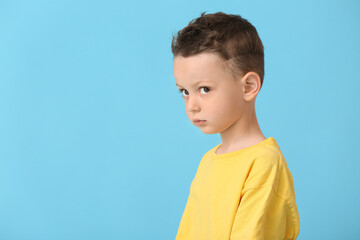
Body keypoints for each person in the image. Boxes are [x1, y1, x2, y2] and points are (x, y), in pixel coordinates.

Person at [171, 11, 300, 240]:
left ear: (248, 86)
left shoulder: (263, 164)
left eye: (205, 89)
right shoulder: (208, 161)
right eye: (184, 91)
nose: (192, 105)